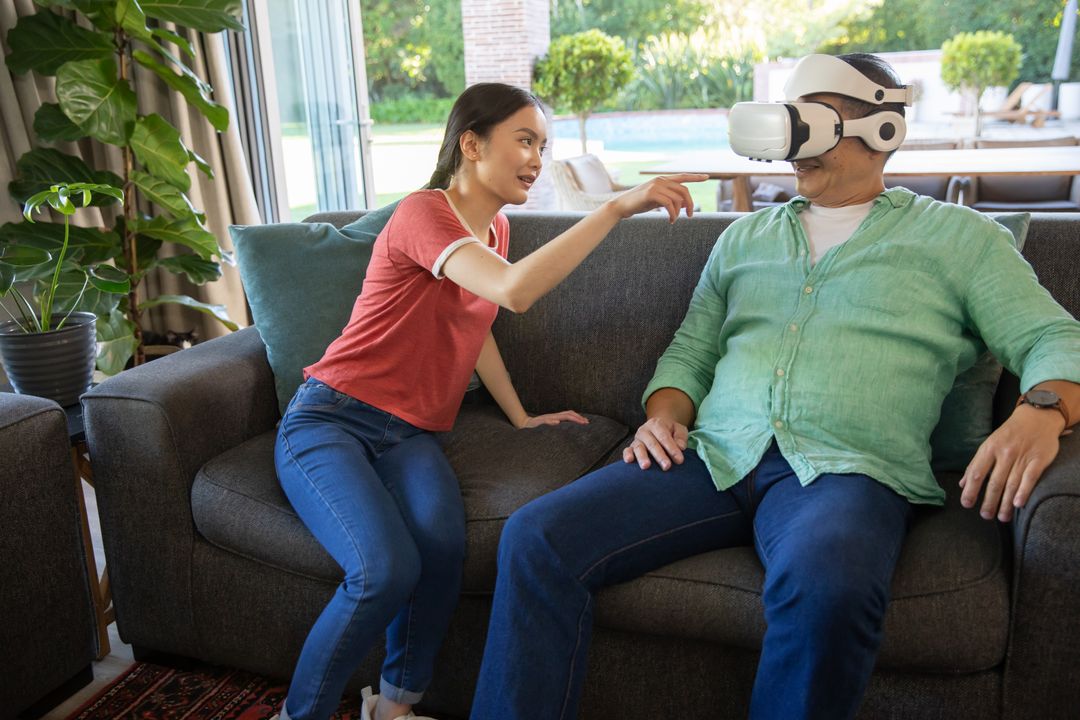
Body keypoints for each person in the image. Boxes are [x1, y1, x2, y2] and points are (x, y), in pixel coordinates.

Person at [468, 54, 1080, 720]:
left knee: (828, 584)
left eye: (814, 123)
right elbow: (692, 352)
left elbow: (1056, 337)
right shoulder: (744, 237)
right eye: (790, 125)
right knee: (535, 537)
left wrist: (1041, 409)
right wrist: (664, 414)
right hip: (710, 456)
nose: (795, 145)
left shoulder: (959, 238)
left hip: (847, 470)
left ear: (882, 130)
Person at [270, 82, 705, 720]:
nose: (536, 157)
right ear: (471, 145)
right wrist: (615, 208)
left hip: (408, 434)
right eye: (524, 140)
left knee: (444, 550)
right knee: (385, 570)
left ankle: (392, 707)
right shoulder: (423, 213)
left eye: (543, 144)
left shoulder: (494, 226)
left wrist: (521, 414)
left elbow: (475, 325)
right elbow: (512, 293)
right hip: (330, 418)